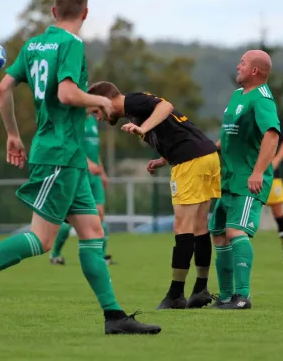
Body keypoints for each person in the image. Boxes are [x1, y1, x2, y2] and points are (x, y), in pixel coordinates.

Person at [0, 0, 161, 335]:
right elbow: (68, 93)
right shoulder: (71, 44)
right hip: (59, 153)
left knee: (92, 231)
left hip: (67, 156)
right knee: (42, 239)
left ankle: (114, 317)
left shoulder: (32, 45)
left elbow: (3, 88)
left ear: (53, 11)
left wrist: (12, 134)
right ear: (85, 14)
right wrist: (101, 101)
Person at [87, 82, 220, 310]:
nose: (97, 117)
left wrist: (143, 128)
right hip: (206, 156)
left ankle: (176, 294)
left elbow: (165, 106)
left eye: (96, 110)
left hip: (191, 162)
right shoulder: (134, 115)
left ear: (106, 100)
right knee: (198, 227)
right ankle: (200, 289)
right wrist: (163, 159)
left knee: (183, 227)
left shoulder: (131, 102)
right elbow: (175, 130)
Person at [210, 49, 281, 309]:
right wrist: (207, 151)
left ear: (254, 71)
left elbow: (271, 136)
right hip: (227, 179)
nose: (237, 66)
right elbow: (228, 136)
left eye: (242, 63)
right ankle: (226, 296)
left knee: (235, 231)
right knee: (218, 234)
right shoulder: (238, 95)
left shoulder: (262, 99)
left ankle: (242, 296)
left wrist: (258, 171)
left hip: (247, 180)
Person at [50, 112, 114, 265]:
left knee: (100, 214)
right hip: (78, 173)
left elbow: (94, 151)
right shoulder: (73, 119)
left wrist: (102, 172)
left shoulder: (93, 120)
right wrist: (88, 164)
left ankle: (100, 256)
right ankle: (55, 255)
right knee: (67, 221)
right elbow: (72, 147)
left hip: (95, 176)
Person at [266, 131, 283, 265]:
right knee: (245, 214)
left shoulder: (268, 121)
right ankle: (240, 254)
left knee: (278, 214)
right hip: (248, 175)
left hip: (271, 177)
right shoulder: (243, 122)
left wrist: (276, 160)